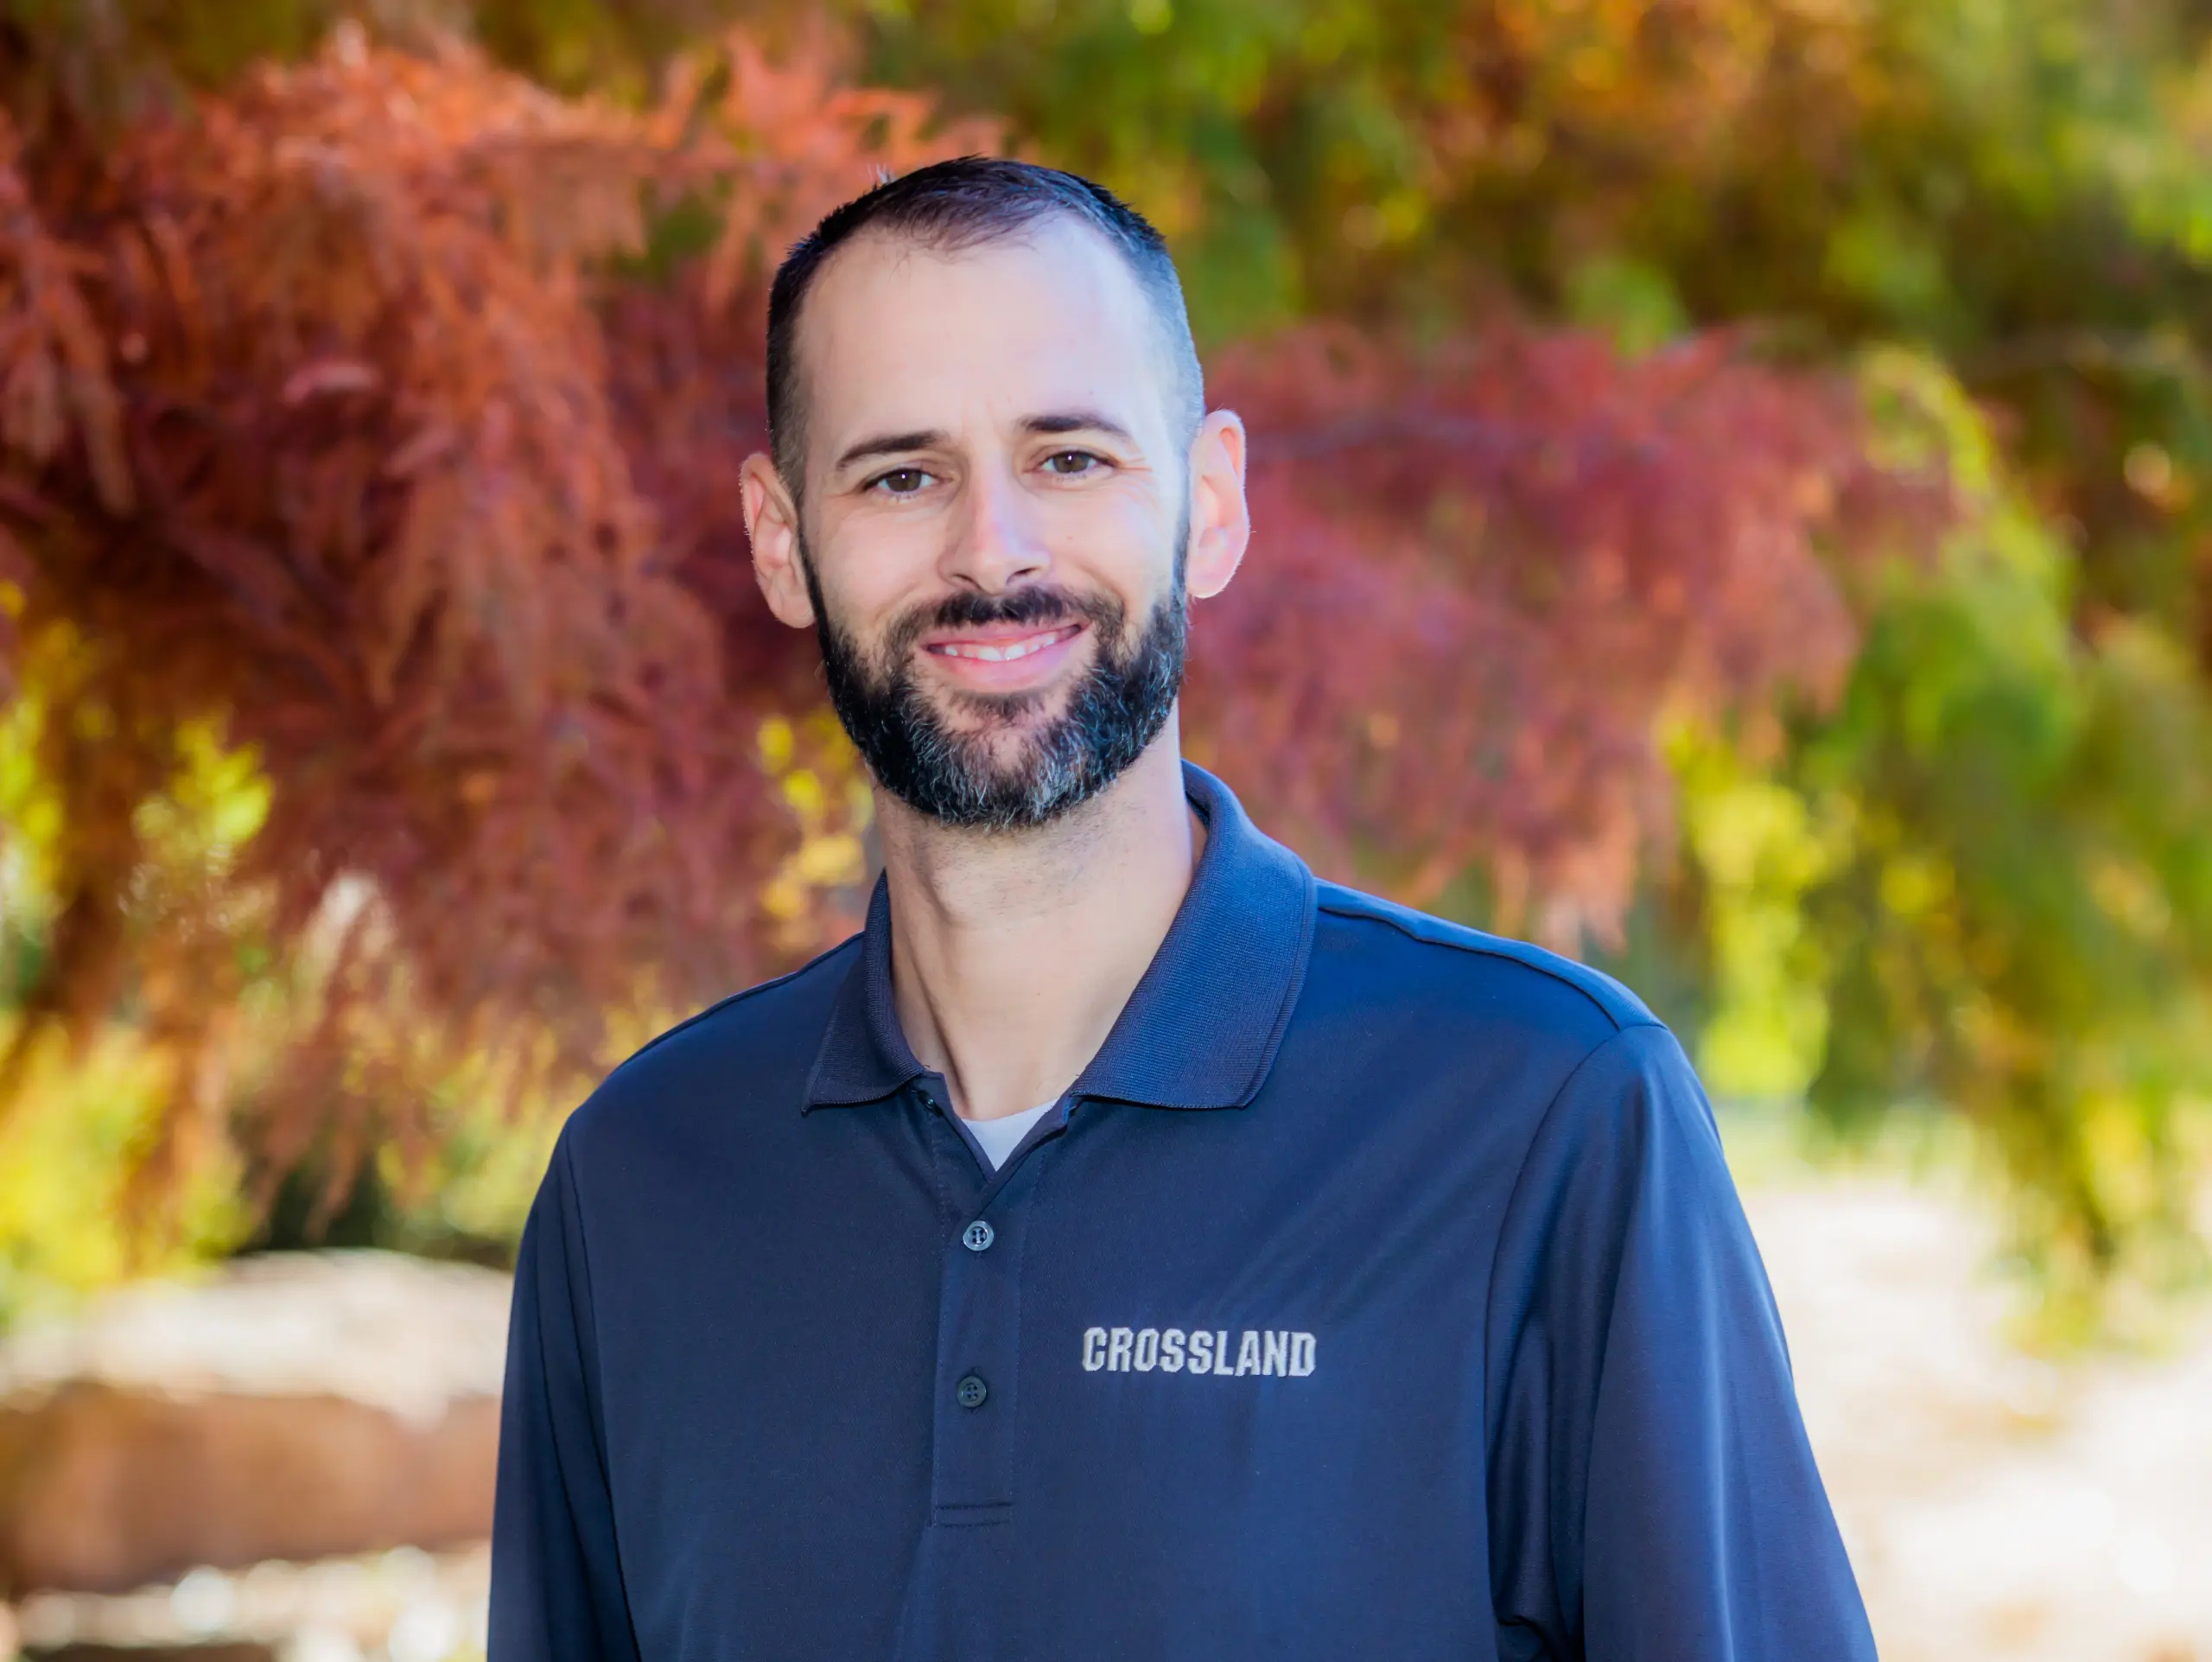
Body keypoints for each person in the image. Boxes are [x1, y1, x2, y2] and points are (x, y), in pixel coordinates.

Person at [487, 156, 1878, 1662]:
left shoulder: (1547, 1117)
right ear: (781, 540)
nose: (992, 550)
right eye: (903, 474)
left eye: (1070, 459)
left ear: (1209, 506)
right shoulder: (640, 1181)